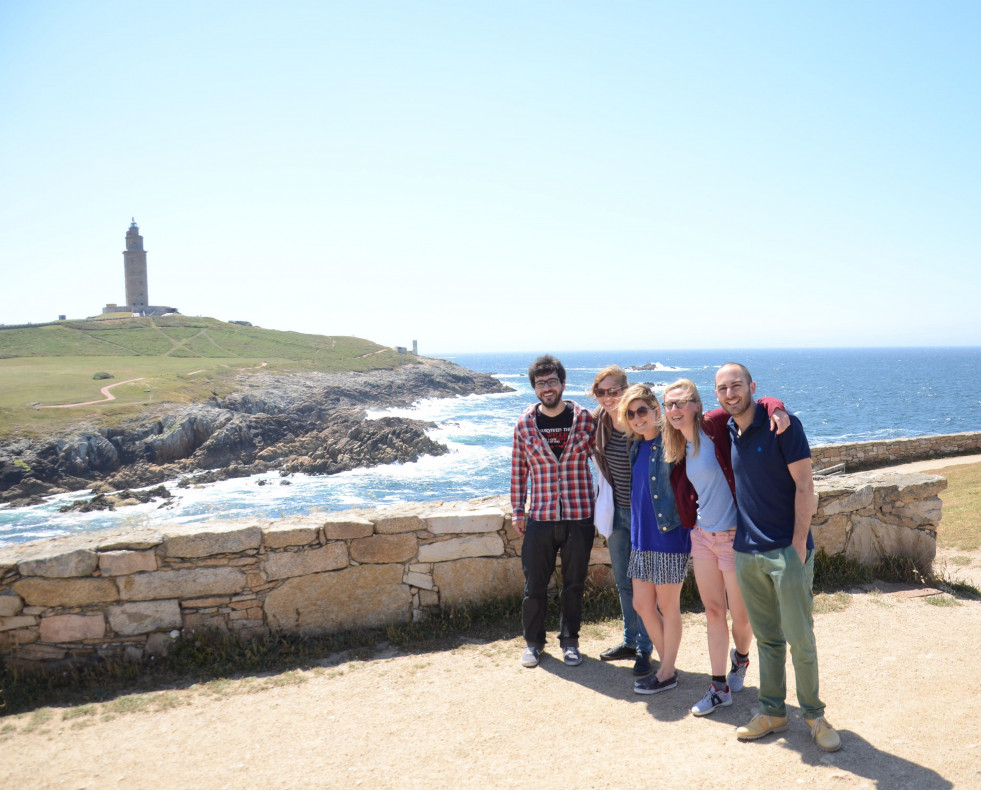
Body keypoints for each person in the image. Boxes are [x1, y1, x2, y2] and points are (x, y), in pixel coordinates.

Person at [715, 362, 840, 752]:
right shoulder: (727, 429)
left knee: (800, 637)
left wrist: (799, 543)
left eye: (737, 385)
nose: (731, 393)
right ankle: (772, 711)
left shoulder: (783, 425)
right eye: (723, 388)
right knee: (768, 639)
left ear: (752, 387)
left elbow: (805, 484)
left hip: (787, 549)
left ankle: (815, 716)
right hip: (747, 552)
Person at [660, 378, 789, 717]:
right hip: (702, 537)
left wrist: (777, 409)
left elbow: (756, 404)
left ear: (697, 405)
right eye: (668, 405)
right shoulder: (675, 445)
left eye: (680, 403)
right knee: (714, 612)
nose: (674, 410)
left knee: (742, 618)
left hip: (734, 538)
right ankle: (718, 688)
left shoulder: (714, 425)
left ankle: (741, 659)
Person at [511, 355, 597, 669]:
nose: (547, 388)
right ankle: (533, 644)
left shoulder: (586, 419)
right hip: (541, 517)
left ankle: (570, 642)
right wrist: (517, 511)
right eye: (540, 383)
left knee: (574, 584)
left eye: (552, 381)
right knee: (534, 585)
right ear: (534, 388)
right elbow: (519, 471)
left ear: (562, 383)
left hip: (579, 515)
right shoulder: (524, 423)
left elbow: (600, 460)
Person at [617, 383, 690, 694]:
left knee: (668, 605)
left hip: (669, 537)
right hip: (641, 539)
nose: (637, 418)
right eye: (631, 414)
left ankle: (666, 672)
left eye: (642, 410)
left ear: (656, 410)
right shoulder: (636, 447)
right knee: (642, 604)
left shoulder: (672, 442)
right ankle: (667, 665)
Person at [591, 366, 654, 676]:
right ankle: (630, 640)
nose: (607, 397)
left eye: (613, 391)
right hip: (615, 513)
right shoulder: (598, 422)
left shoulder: (640, 421)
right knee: (624, 583)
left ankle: (646, 648)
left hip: (645, 516)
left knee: (645, 587)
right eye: (600, 392)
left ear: (626, 390)